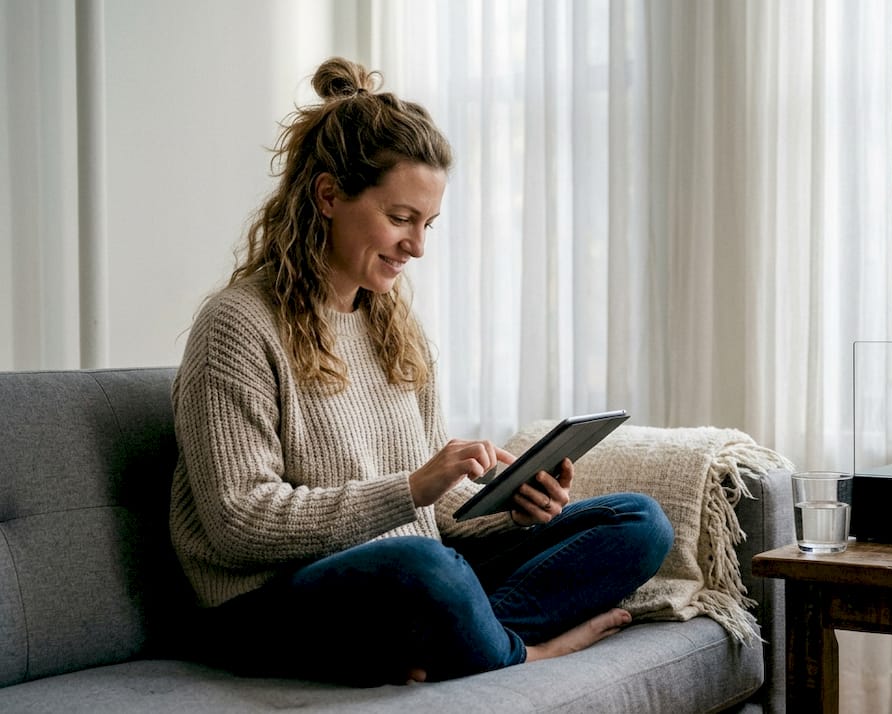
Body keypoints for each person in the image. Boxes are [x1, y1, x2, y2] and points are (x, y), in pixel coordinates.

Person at [168, 56, 673, 687]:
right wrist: (410, 489)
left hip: (405, 572)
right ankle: (525, 651)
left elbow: (435, 513)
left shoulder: (394, 326)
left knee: (636, 521)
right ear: (328, 196)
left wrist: (510, 507)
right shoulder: (238, 325)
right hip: (267, 602)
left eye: (427, 223)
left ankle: (467, 634)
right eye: (401, 218)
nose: (418, 246)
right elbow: (237, 524)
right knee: (424, 568)